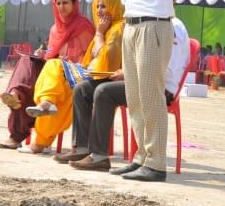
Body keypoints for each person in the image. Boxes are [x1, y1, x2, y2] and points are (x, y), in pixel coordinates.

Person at [109, 0, 187, 182]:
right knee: (135, 95)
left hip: (154, 23)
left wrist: (161, 7)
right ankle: (141, 156)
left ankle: (156, 164)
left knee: (151, 94)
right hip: (132, 23)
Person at [67, 17, 189, 171]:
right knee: (83, 89)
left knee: (104, 92)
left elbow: (166, 69)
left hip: (160, 88)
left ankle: (99, 156)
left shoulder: (170, 26)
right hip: (137, 80)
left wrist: (127, 74)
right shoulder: (142, 23)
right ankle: (81, 148)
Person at [22, 0, 125, 155]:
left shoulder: (117, 28)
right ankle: (46, 109)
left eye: (104, 6)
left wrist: (99, 34)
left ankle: (43, 135)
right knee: (55, 83)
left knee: (55, 71)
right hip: (87, 74)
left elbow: (103, 56)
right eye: (97, 6)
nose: (99, 11)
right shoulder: (106, 28)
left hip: (103, 77)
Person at [0, 0, 94, 149]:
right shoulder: (55, 29)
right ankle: (15, 95)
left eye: (65, 3)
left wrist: (58, 59)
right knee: (27, 61)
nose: (61, 7)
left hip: (71, 74)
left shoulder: (83, 26)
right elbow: (53, 53)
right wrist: (45, 53)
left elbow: (84, 59)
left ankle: (43, 108)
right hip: (52, 70)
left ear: (74, 4)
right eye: (58, 3)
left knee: (50, 69)